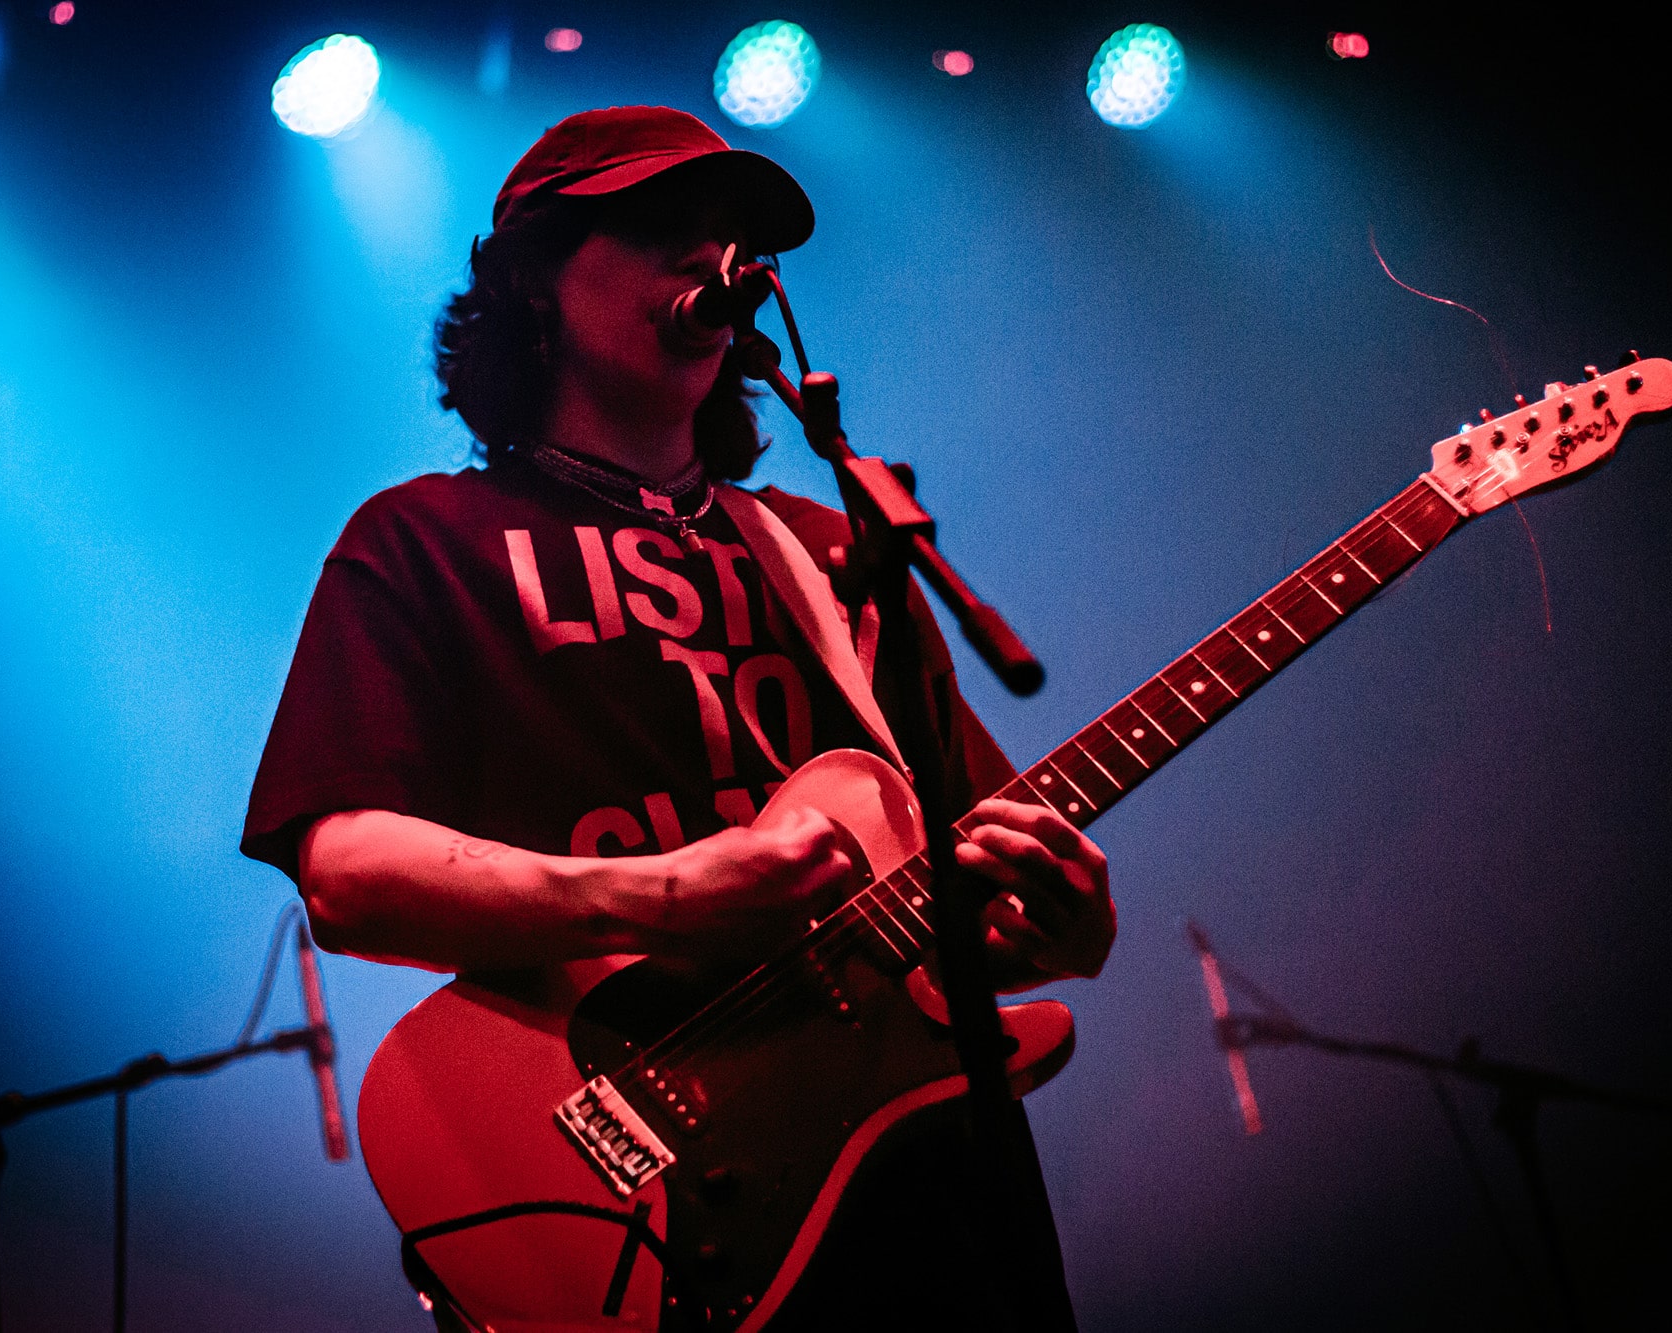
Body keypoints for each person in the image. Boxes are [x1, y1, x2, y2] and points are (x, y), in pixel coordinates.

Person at [241, 105, 1115, 1330]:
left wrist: (1049, 931)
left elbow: (963, 885)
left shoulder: (831, 552)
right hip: (643, 1195)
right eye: (661, 225)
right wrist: (664, 893)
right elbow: (344, 874)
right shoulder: (425, 540)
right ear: (533, 281)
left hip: (935, 1201)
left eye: (730, 238)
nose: (712, 258)